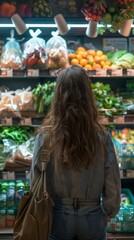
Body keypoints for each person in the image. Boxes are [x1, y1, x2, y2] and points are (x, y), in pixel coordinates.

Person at [31, 65, 121, 240]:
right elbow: (113, 183)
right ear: (88, 95)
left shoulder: (45, 136)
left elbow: (35, 181)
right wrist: (107, 215)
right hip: (93, 216)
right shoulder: (101, 136)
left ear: (58, 95)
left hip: (57, 216)